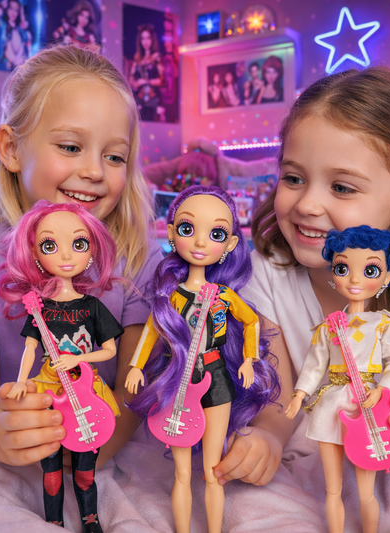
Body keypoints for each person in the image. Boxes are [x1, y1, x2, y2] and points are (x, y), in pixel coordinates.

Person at [0, 45, 162, 529]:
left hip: (106, 449)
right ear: (12, 149)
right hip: (2, 459)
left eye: (114, 156)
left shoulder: (140, 260)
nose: (95, 170)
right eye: (71, 147)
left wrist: (88, 443)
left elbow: (131, 390)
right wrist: (3, 433)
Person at [241, 66, 390, 517]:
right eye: (293, 178)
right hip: (313, 427)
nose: (307, 204)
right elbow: (279, 393)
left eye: (341, 187)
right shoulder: (267, 270)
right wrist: (267, 436)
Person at [125, 186, 282, 533]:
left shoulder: (224, 296)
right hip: (178, 378)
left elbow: (252, 322)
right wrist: (136, 366)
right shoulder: (172, 296)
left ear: (230, 244)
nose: (199, 242)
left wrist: (249, 359)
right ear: (171, 233)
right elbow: (151, 330)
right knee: (181, 472)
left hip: (216, 376)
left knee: (213, 470)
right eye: (187, 228)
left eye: (216, 234)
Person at [0, 201, 125, 532]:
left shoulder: (92, 306)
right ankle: (53, 520)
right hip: (50, 388)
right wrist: (21, 380)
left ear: (92, 251)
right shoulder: (40, 309)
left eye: (78, 243)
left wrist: (78, 358)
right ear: (35, 255)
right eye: (50, 245)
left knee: (85, 468)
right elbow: (30, 347)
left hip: (86, 389)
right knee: (50, 470)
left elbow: (109, 350)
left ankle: (90, 519)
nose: (66, 255)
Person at [286, 226, 390, 533]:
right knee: (333, 488)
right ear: (333, 273)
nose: (354, 280)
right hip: (332, 404)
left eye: (370, 270)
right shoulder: (329, 327)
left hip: (367, 403)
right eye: (343, 269)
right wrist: (300, 394)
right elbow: (315, 364)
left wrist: (384, 389)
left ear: (387, 278)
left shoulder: (383, 324)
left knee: (367, 490)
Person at [128, 23, 165, 122]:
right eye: (143, 38)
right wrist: (135, 83)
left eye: (148, 38)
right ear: (140, 40)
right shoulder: (137, 58)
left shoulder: (156, 57)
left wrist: (145, 81)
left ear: (152, 39)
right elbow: (131, 79)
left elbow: (162, 80)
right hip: (140, 101)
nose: (146, 41)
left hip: (154, 100)